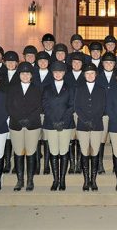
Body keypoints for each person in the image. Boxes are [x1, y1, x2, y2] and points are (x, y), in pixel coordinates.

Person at [6, 62, 42, 191]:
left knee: (31, 152)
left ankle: (30, 180)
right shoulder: (12, 89)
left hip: (33, 125)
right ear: (19, 74)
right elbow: (9, 106)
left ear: (31, 75)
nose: (25, 75)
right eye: (23, 73)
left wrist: (29, 119)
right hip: (16, 124)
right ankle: (19, 180)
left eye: (28, 73)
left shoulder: (37, 89)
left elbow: (39, 107)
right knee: (19, 152)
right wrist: (19, 119)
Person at [42, 61, 75, 191]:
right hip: (51, 124)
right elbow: (45, 105)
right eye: (55, 72)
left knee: (64, 151)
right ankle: (55, 180)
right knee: (54, 152)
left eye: (60, 72)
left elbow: (72, 105)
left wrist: (62, 120)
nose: (58, 74)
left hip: (66, 124)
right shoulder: (47, 88)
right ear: (52, 73)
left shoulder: (70, 87)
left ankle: (62, 180)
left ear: (64, 73)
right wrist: (54, 120)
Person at [74, 63, 106, 191]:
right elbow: (77, 106)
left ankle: (94, 180)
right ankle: (86, 180)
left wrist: (93, 120)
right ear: (84, 75)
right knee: (84, 152)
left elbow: (102, 107)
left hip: (97, 124)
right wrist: (85, 120)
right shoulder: (79, 89)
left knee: (95, 152)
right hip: (82, 124)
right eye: (87, 73)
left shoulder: (101, 89)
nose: (90, 75)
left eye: (92, 73)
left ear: (96, 75)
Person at [64, 51, 86, 174]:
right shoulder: (66, 76)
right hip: (69, 111)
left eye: (79, 62)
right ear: (71, 63)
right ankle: (72, 164)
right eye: (74, 62)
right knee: (71, 139)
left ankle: (80, 164)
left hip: (83, 112)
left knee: (81, 138)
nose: (76, 64)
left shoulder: (86, 75)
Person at [0, 51, 20, 174]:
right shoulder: (0, 75)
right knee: (6, 138)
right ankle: (7, 162)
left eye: (13, 62)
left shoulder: (21, 75)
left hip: (17, 111)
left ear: (17, 63)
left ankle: (17, 165)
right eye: (8, 61)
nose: (11, 64)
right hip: (3, 111)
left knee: (16, 139)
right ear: (4, 62)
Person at [33, 51, 53, 175]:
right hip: (34, 111)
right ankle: (37, 165)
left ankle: (46, 165)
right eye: (40, 60)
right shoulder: (32, 75)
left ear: (48, 62)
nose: (42, 62)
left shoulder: (53, 75)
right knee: (35, 139)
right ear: (37, 62)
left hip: (48, 112)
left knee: (46, 139)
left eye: (45, 60)